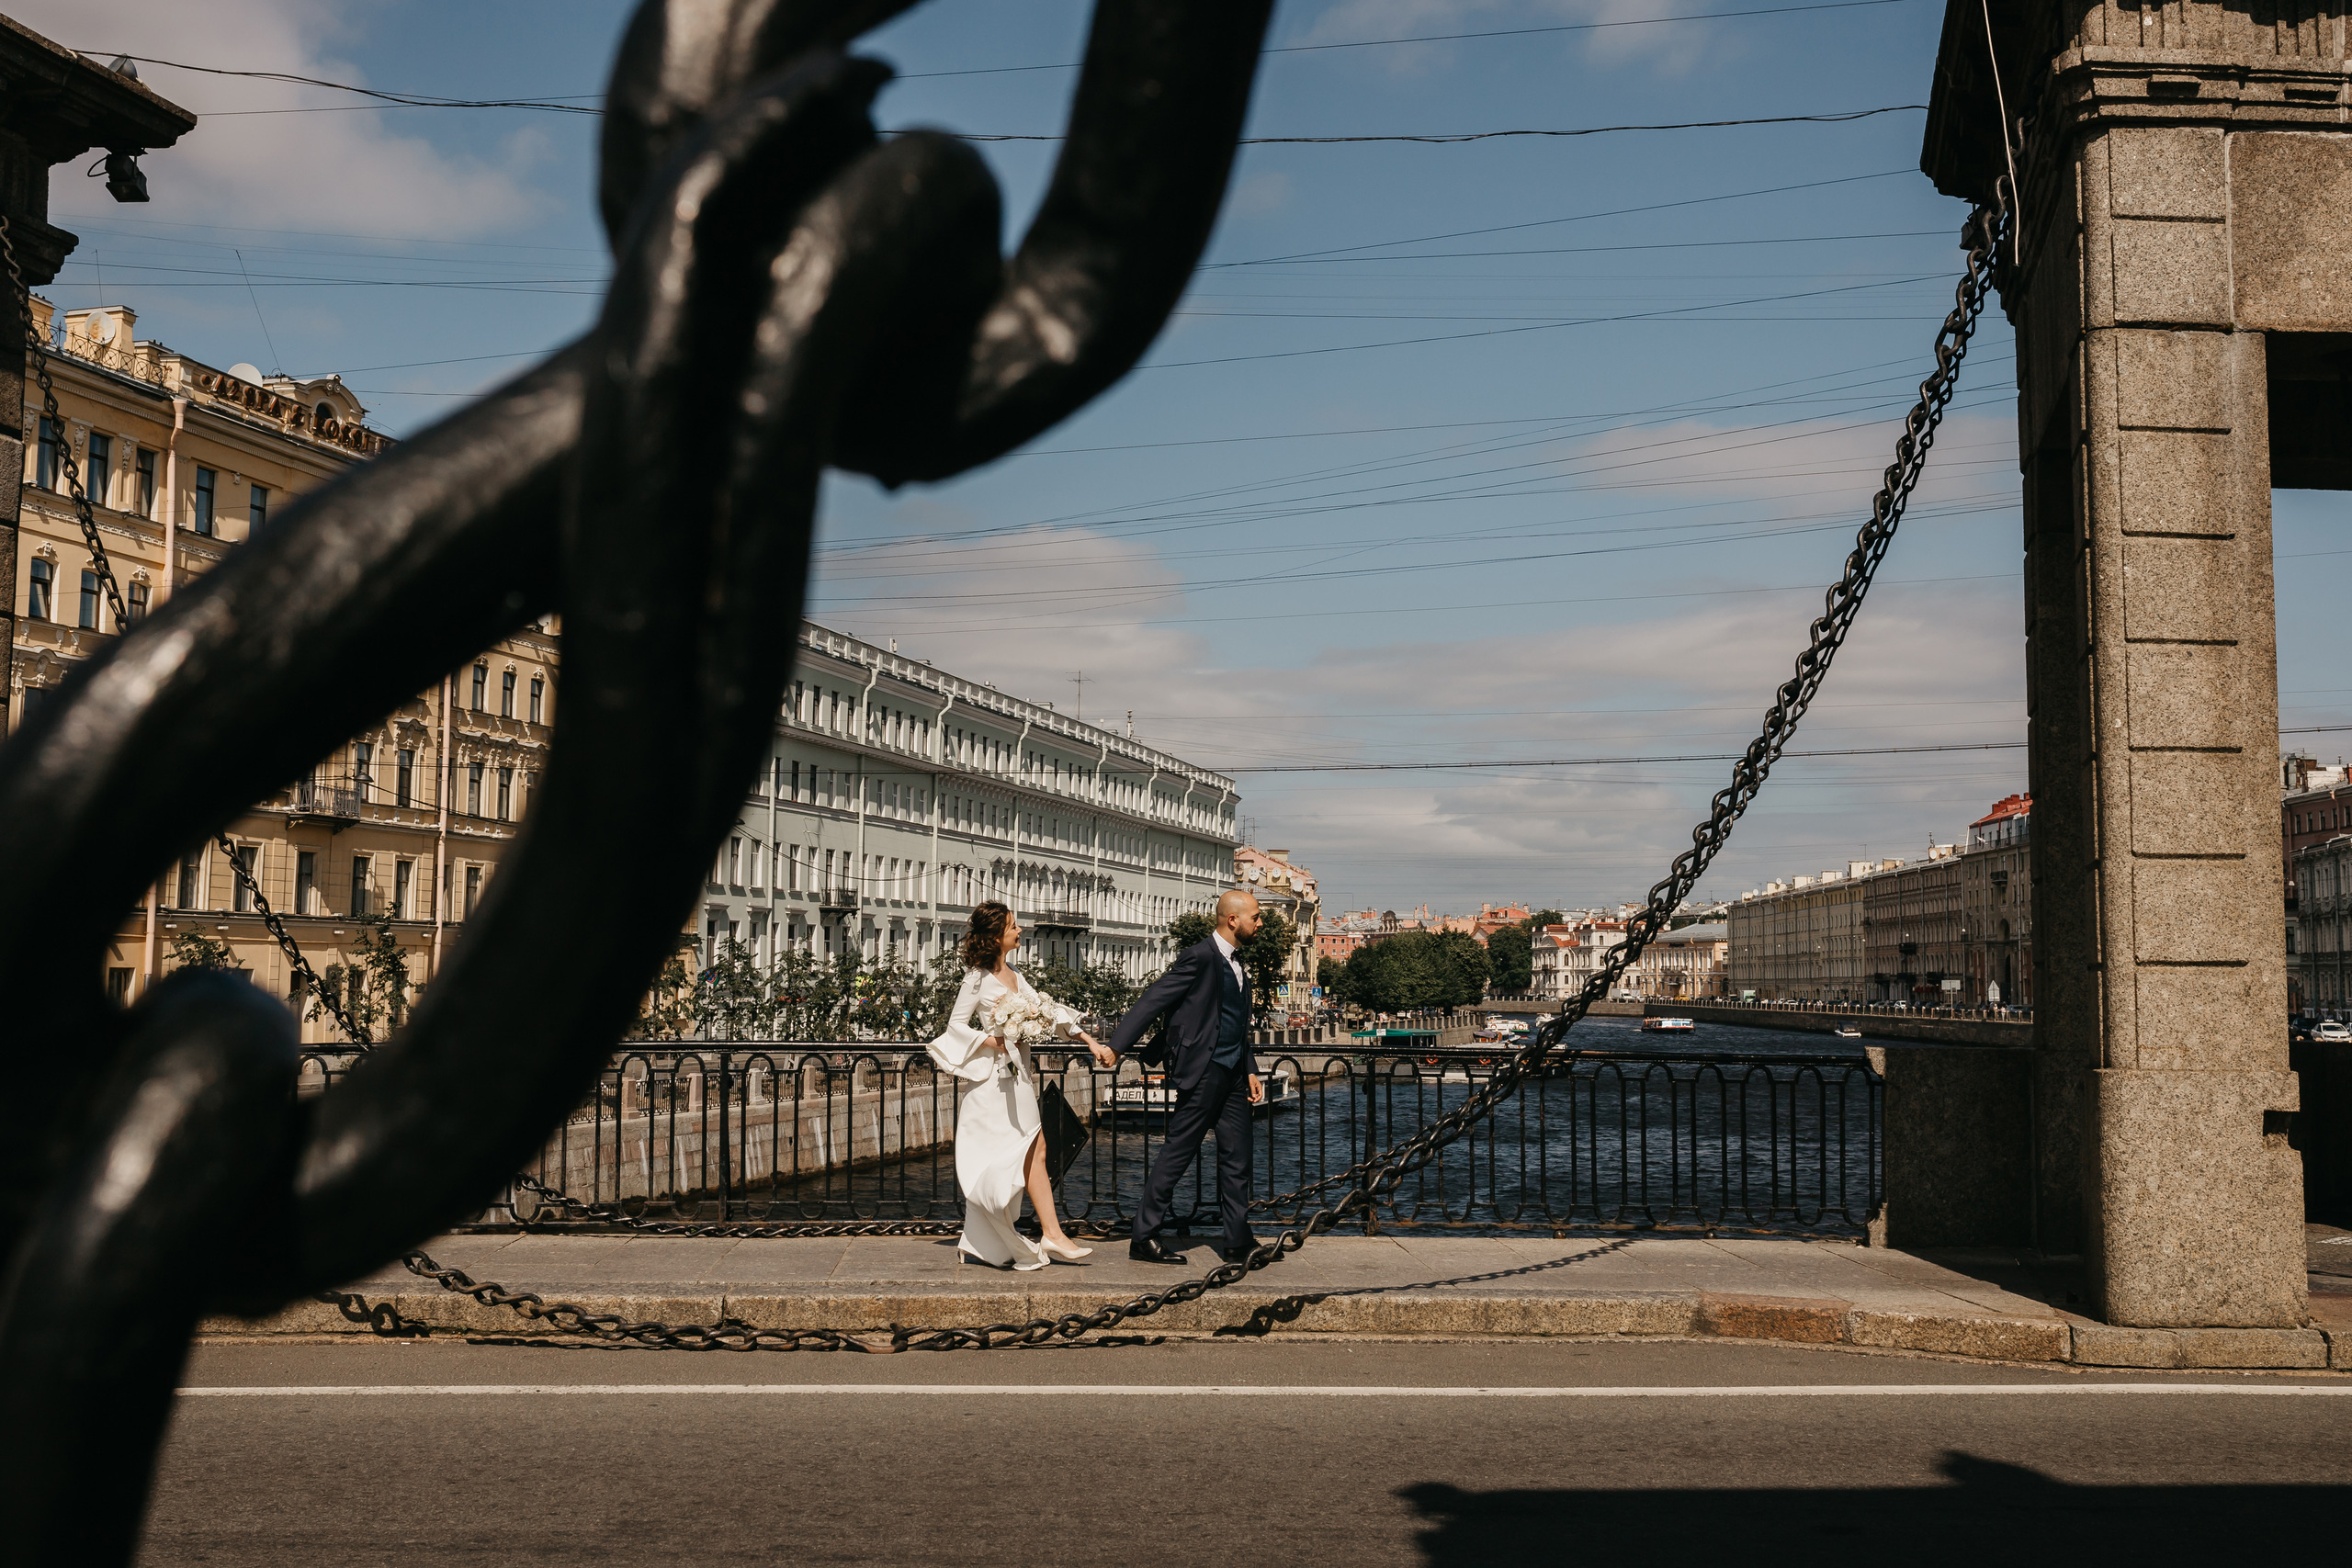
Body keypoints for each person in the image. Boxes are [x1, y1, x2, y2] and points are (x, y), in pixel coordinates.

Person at [927, 901, 1115, 1269]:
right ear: (997, 936)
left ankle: (1042, 1234)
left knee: (1036, 1150)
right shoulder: (976, 979)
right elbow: (955, 1027)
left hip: (1018, 1079)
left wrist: (1089, 1041)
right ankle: (1047, 1234)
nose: (1020, 931)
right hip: (992, 1086)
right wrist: (992, 1040)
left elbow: (1050, 1010)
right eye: (1013, 926)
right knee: (1029, 1150)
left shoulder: (1015, 973)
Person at [1103, 888, 1270, 1267]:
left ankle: (1237, 1241)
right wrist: (1117, 1046)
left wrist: (1250, 1069)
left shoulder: (1237, 962)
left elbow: (1234, 1025)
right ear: (1233, 920)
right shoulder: (1199, 956)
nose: (1259, 924)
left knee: (1237, 1158)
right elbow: (1153, 1000)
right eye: (1255, 917)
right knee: (1177, 1153)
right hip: (1203, 1071)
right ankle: (1143, 1237)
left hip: (1232, 1075)